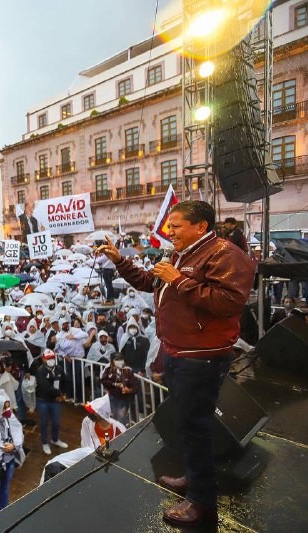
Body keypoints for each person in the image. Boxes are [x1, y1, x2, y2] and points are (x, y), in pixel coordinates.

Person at [97, 200, 255, 526]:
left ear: (200, 226)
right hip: (177, 352)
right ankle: (193, 478)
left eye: (177, 226)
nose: (170, 232)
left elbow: (229, 302)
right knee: (187, 423)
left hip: (202, 358)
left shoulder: (225, 254)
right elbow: (147, 282)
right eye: (170, 226)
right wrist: (119, 261)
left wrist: (179, 280)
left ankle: (201, 503)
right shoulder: (179, 255)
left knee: (196, 427)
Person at [34, 350, 68, 455]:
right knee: (44, 422)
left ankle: (55, 439)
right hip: (43, 400)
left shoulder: (58, 368)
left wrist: (65, 394)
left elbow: (66, 381)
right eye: (48, 358)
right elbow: (46, 387)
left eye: (52, 358)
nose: (51, 360)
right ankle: (45, 442)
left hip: (55, 401)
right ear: (44, 359)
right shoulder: (40, 371)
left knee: (56, 422)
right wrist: (60, 395)